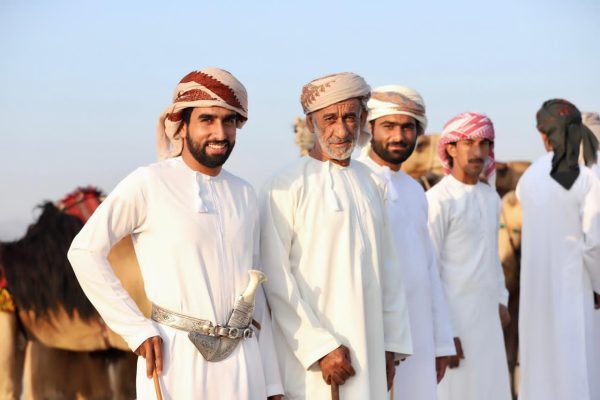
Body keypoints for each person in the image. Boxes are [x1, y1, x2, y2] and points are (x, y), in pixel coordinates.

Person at [67, 67, 283, 399]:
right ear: (182, 125)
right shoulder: (148, 183)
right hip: (175, 359)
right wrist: (136, 329)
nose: (220, 132)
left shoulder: (245, 193)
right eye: (207, 120)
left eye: (229, 121)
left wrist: (271, 383)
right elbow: (84, 251)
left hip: (244, 365)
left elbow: (256, 295)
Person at [260, 72, 412, 400]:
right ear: (310, 122)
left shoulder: (372, 183)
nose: (341, 130)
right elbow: (276, 280)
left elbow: (389, 270)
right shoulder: (283, 186)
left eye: (350, 118)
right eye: (330, 118)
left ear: (363, 120)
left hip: (370, 350)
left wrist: (390, 345)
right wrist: (320, 347)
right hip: (311, 362)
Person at [357, 85, 455, 399]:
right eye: (389, 126)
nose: (399, 136)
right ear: (370, 127)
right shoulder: (355, 182)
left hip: (420, 336)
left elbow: (429, 270)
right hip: (375, 334)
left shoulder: (414, 191)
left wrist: (441, 342)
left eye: (407, 127)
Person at [517, 99, 600, 400]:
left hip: (535, 294)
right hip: (576, 290)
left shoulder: (528, 177)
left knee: (540, 370)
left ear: (543, 134)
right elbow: (594, 244)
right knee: (577, 371)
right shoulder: (588, 175)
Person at [426, 112, 511, 400]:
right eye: (468, 143)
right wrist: (443, 334)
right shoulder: (438, 200)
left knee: (491, 389)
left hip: (487, 318)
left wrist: (501, 299)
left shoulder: (490, 197)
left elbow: (491, 257)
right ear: (450, 148)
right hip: (455, 323)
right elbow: (430, 269)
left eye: (484, 144)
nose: (478, 152)